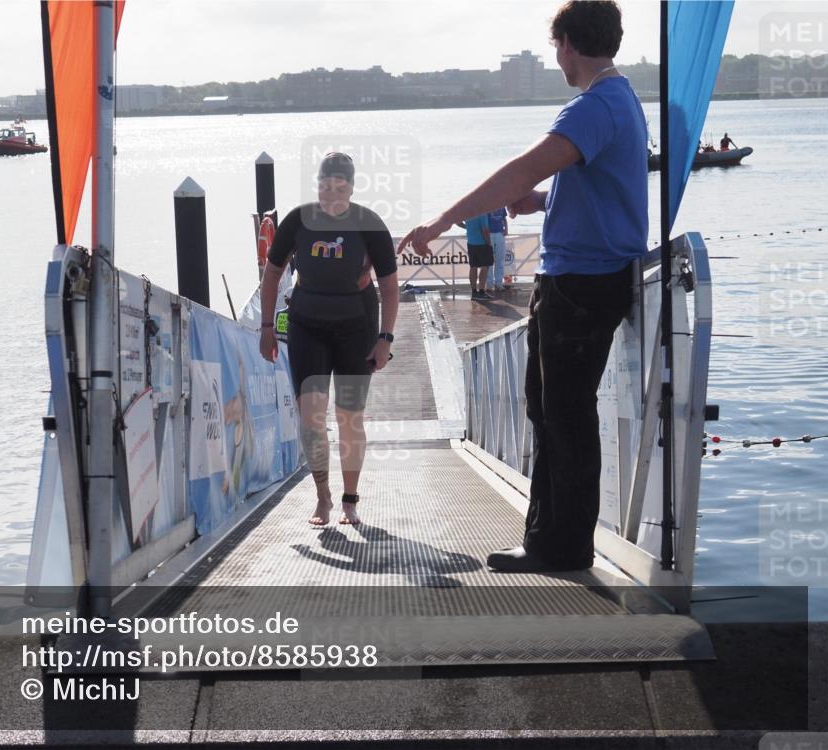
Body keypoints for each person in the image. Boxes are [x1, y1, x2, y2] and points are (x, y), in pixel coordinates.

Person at [398, 0, 647, 573]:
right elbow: (598, 183)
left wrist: (440, 222)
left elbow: (520, 168)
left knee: (564, 414)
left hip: (582, 284)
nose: (557, 58)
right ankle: (549, 538)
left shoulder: (594, 105)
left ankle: (562, 547)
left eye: (556, 47)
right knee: (549, 408)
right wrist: (545, 200)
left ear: (568, 45)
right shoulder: (621, 99)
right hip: (584, 278)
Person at [259, 153, 399, 526]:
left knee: (349, 417)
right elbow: (272, 275)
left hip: (357, 327)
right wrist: (267, 328)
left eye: (339, 188)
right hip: (307, 325)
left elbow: (389, 287)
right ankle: (323, 497)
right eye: (324, 187)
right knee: (311, 417)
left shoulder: (369, 224)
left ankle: (350, 500)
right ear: (317, 185)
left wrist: (385, 338)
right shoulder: (298, 220)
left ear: (351, 188)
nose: (331, 195)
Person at [464, 213, 493, 299]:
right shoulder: (482, 213)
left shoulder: (467, 212)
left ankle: (474, 292)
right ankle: (481, 291)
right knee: (485, 267)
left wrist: (466, 227)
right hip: (482, 243)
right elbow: (485, 231)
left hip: (471, 243)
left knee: (473, 267)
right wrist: (489, 243)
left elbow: (456, 221)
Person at [486, 206, 509, 291]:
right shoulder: (486, 205)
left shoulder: (502, 205)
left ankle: (499, 283)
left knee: (500, 259)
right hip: (489, 234)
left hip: (500, 233)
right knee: (489, 260)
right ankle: (489, 284)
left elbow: (504, 219)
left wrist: (506, 229)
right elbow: (484, 220)